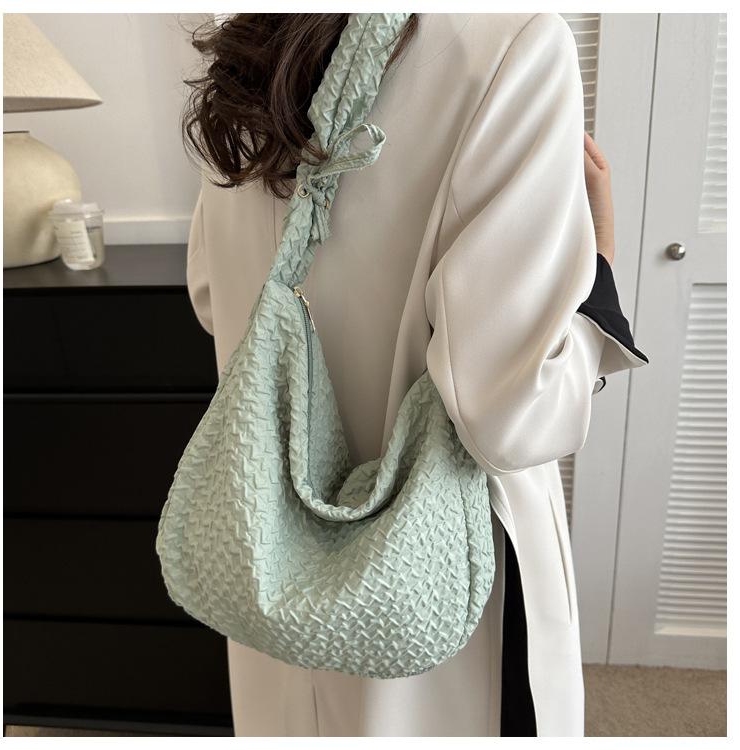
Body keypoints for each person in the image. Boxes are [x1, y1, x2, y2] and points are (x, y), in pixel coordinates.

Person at [181, 12, 648, 737]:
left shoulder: (249, 51)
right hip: (438, 591)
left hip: (268, 552)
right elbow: (515, 418)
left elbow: (212, 298)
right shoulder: (512, 41)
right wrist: (601, 266)